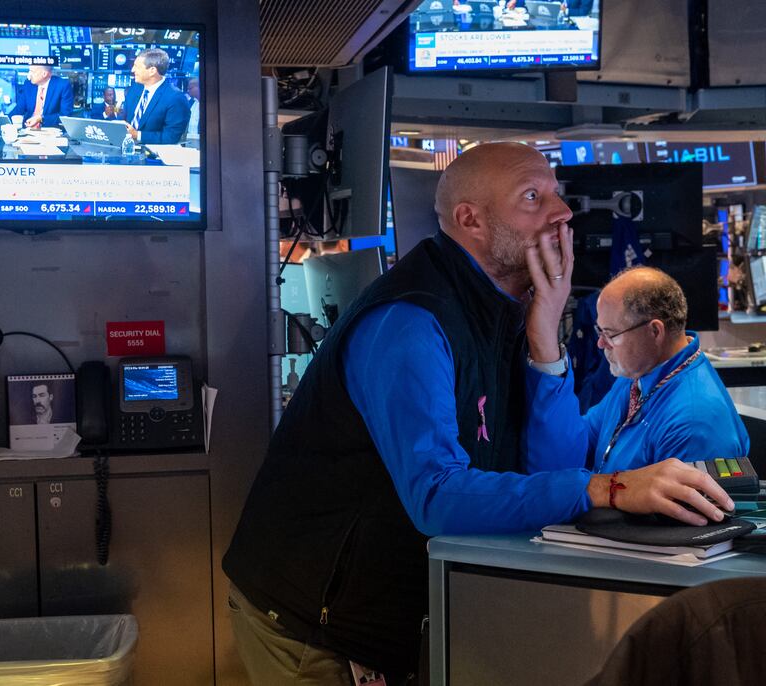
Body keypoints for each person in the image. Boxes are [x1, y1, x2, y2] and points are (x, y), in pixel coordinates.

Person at [222, 142, 733, 685]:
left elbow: (545, 473)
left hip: (399, 616)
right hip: (312, 625)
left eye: (556, 193)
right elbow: (436, 496)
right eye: (532, 198)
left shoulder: (507, 310)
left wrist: (545, 338)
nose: (561, 212)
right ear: (471, 221)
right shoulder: (411, 321)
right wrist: (608, 488)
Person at [525, 266, 748, 474]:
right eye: (599, 331)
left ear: (654, 332)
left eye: (610, 334)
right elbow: (582, 440)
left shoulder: (694, 424)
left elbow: (675, 515)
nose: (600, 344)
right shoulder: (637, 375)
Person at [120, 48, 190, 144]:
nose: (133, 70)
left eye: (137, 66)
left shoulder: (175, 98)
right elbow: (124, 119)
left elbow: (171, 137)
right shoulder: (134, 89)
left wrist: (137, 135)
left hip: (152, 155)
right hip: (124, 148)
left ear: (152, 70)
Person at [10, 64, 73, 129]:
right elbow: (18, 110)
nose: (28, 75)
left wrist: (41, 118)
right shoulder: (28, 84)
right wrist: (4, 121)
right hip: (28, 131)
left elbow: (65, 116)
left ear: (44, 74)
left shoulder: (62, 85)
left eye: (32, 72)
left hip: (51, 133)